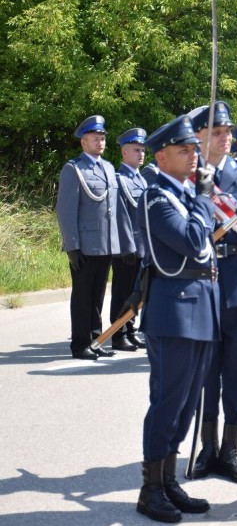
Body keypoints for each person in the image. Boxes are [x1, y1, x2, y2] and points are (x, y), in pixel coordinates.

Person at [135, 114, 219, 523]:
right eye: (184, 150)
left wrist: (201, 199)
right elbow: (188, 239)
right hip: (174, 310)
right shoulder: (157, 197)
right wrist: (203, 200)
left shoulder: (184, 195)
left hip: (200, 306)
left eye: (193, 149)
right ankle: (150, 488)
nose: (193, 156)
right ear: (162, 155)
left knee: (187, 404)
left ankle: (168, 480)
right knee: (168, 401)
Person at [191, 102, 237, 484]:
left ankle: (231, 450)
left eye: (228, 131)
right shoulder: (188, 175)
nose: (226, 138)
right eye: (217, 132)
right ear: (199, 136)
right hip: (204, 281)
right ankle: (207, 446)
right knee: (206, 370)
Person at [57, 115, 129, 360]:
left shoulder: (108, 168)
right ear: (83, 143)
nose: (100, 142)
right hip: (85, 245)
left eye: (102, 138)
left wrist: (119, 242)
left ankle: (95, 341)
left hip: (106, 243)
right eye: (95, 138)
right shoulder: (73, 169)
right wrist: (72, 246)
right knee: (82, 296)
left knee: (98, 296)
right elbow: (65, 211)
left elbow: (114, 211)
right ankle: (80, 344)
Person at [110, 127, 149, 351]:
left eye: (142, 150)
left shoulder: (141, 180)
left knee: (136, 292)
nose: (141, 154)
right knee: (122, 292)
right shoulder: (119, 179)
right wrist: (127, 247)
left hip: (142, 248)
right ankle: (118, 334)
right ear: (125, 153)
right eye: (136, 150)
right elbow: (120, 217)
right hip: (128, 249)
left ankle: (130, 329)